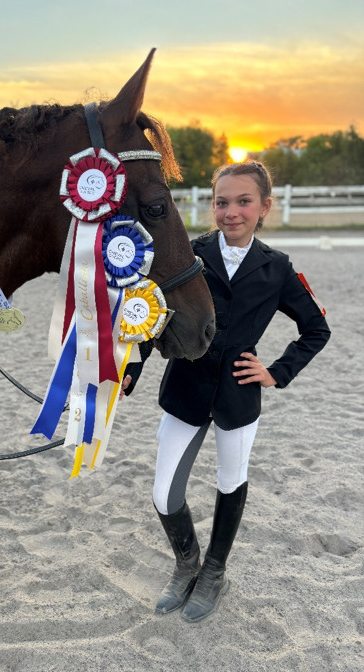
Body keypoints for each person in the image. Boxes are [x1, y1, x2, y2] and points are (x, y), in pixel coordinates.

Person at [122, 161, 330, 623]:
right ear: (211, 206)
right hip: (186, 387)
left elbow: (316, 329)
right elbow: (150, 318)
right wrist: (131, 366)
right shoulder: (187, 255)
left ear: (264, 208)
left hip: (238, 395)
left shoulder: (277, 268)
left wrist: (276, 371)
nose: (231, 212)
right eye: (221, 202)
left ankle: (214, 571)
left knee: (229, 482)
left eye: (243, 202)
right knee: (164, 494)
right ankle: (186, 564)